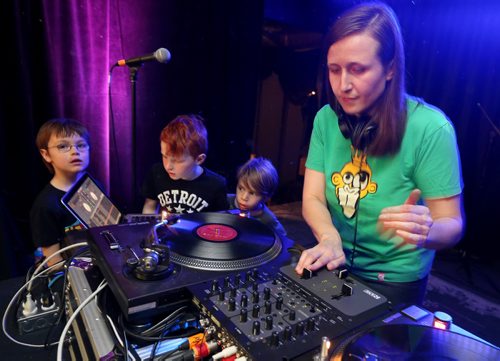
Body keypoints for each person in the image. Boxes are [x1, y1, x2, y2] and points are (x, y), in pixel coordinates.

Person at [295, 2, 464, 306]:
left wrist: (428, 232)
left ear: (390, 69)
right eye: (335, 70)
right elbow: (313, 198)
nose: (343, 85)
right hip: (334, 261)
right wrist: (329, 237)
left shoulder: (431, 129)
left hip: (394, 282)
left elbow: (452, 223)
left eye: (357, 69)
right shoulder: (325, 119)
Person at [30, 118, 90, 267]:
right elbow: (53, 262)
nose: (75, 152)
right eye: (63, 146)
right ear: (46, 155)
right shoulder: (45, 206)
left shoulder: (91, 185)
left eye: (81, 145)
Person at [142, 114, 228, 214]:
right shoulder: (156, 173)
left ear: (199, 159)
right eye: (164, 156)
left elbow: (220, 221)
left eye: (178, 161)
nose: (168, 166)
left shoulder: (216, 185)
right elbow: (149, 207)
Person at [228, 157, 287, 238]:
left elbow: (284, 241)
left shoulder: (268, 219)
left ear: (266, 197)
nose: (244, 197)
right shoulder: (223, 201)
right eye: (241, 188)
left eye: (252, 193)